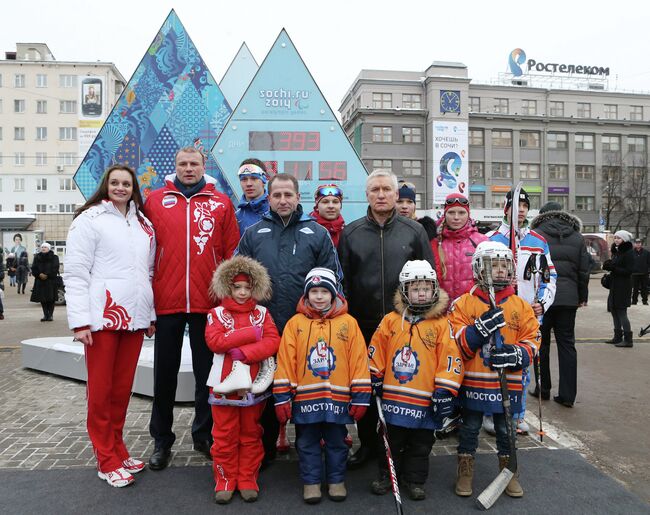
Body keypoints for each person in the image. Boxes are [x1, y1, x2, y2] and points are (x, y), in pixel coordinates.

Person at [237, 172, 342, 468]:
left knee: (309, 385)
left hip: (306, 326)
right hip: (264, 329)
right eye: (277, 195)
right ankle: (266, 447)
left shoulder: (317, 233)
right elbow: (238, 281)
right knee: (268, 389)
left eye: (288, 195)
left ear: (298, 198)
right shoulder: (254, 233)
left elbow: (335, 280)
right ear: (268, 198)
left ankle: (308, 447)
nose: (283, 200)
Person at [144, 146, 240, 470]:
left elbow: (230, 254)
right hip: (167, 302)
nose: (188, 169)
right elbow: (145, 250)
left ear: (203, 166)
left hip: (207, 302)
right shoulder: (155, 200)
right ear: (175, 167)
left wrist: (227, 300)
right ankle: (161, 440)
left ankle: (204, 436)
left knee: (206, 375)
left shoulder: (220, 203)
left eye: (194, 164)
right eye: (183, 164)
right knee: (164, 376)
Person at [64, 164, 156, 488]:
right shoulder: (89, 220)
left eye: (126, 183)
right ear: (106, 185)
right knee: (101, 393)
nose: (120, 188)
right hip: (102, 318)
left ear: (134, 188)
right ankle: (106, 459)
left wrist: (150, 314)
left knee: (121, 391)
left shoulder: (144, 224)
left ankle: (118, 448)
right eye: (114, 182)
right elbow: (75, 273)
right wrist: (80, 322)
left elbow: (147, 273)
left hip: (133, 319)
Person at [338, 169, 435, 469]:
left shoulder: (414, 231)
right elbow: (344, 282)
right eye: (374, 190)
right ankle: (368, 445)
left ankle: (400, 448)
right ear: (366, 195)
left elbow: (430, 278)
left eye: (386, 190)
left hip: (405, 325)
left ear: (396, 194)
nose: (380, 195)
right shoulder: (351, 233)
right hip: (364, 326)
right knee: (366, 391)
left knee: (402, 387)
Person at [449, 241, 539, 499]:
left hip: (506, 384)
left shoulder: (520, 305)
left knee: (505, 430)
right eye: (492, 265)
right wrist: (477, 330)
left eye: (503, 265)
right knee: (469, 428)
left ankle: (508, 471)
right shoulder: (464, 304)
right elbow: (454, 342)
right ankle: (465, 471)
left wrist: (517, 353)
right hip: (473, 382)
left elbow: (533, 338)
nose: (499, 271)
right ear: (478, 267)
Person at [274, 267, 370, 504]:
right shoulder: (295, 324)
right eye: (314, 291)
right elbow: (286, 360)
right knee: (307, 442)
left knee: (337, 442)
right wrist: (282, 396)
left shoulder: (348, 323)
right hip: (306, 399)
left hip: (337, 398)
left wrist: (360, 395)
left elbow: (358, 360)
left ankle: (336, 480)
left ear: (334, 294)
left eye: (324, 291)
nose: (319, 296)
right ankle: (311, 482)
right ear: (306, 295)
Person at [368, 260, 462, 501]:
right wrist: (375, 375)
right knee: (390, 440)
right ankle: (387, 475)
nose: (421, 294)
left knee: (420, 445)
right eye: (415, 288)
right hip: (394, 398)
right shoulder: (390, 320)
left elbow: (450, 360)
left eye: (426, 288)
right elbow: (376, 349)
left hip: (425, 399)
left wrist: (444, 390)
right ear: (404, 291)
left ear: (434, 290)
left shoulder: (442, 324)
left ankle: (415, 480)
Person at [205, 255, 280, 504]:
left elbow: (272, 341)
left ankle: (247, 478)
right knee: (224, 435)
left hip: (253, 385)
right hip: (222, 385)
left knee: (250, 433)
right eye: (237, 287)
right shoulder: (215, 314)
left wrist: (246, 352)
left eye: (248, 287)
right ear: (228, 287)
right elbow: (215, 342)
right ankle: (225, 479)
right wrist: (250, 334)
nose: (243, 293)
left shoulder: (262, 313)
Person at [485, 188, 556, 434]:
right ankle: (490, 413)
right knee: (492, 363)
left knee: (522, 365)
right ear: (506, 208)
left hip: (527, 314)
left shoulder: (538, 241)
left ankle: (518, 415)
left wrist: (543, 302)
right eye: (517, 205)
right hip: (497, 313)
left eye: (525, 206)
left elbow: (550, 276)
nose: (522, 210)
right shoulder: (491, 239)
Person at [530, 202, 590, 407]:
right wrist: (582, 296)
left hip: (542, 299)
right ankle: (567, 395)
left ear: (542, 215)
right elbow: (584, 271)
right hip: (568, 298)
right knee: (567, 344)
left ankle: (542, 388)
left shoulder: (536, 235)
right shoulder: (576, 236)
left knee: (541, 343)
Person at [434, 193, 488, 302]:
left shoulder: (481, 241)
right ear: (444, 214)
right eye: (451, 212)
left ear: (468, 214)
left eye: (462, 212)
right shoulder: (436, 240)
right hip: (441, 310)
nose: (456, 217)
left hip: (472, 308)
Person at [603, 230, 635, 348]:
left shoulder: (628, 252)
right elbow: (615, 266)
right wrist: (609, 265)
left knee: (621, 312)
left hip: (623, 286)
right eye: (615, 237)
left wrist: (614, 268)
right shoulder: (617, 252)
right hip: (615, 285)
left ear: (624, 240)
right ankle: (617, 337)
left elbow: (629, 271)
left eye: (619, 238)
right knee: (614, 311)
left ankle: (628, 340)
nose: (616, 239)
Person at [235, 159, 269, 235]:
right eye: (244, 179)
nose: (248, 184)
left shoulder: (277, 211)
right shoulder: (236, 218)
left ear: (264, 179)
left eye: (254, 178)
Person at [30, 242, 60, 321]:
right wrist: (39, 274)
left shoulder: (54, 257)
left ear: (49, 248)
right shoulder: (37, 257)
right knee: (43, 299)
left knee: (51, 299)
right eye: (42, 247)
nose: (43, 248)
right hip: (40, 281)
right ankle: (45, 315)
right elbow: (34, 268)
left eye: (45, 247)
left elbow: (55, 267)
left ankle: (50, 315)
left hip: (51, 281)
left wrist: (47, 275)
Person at [630, 238, 650, 305]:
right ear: (634, 244)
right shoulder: (631, 253)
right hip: (634, 274)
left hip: (644, 273)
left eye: (639, 243)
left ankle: (645, 301)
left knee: (644, 288)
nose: (638, 244)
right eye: (636, 243)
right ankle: (634, 301)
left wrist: (648, 271)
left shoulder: (646, 253)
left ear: (641, 244)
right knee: (635, 289)